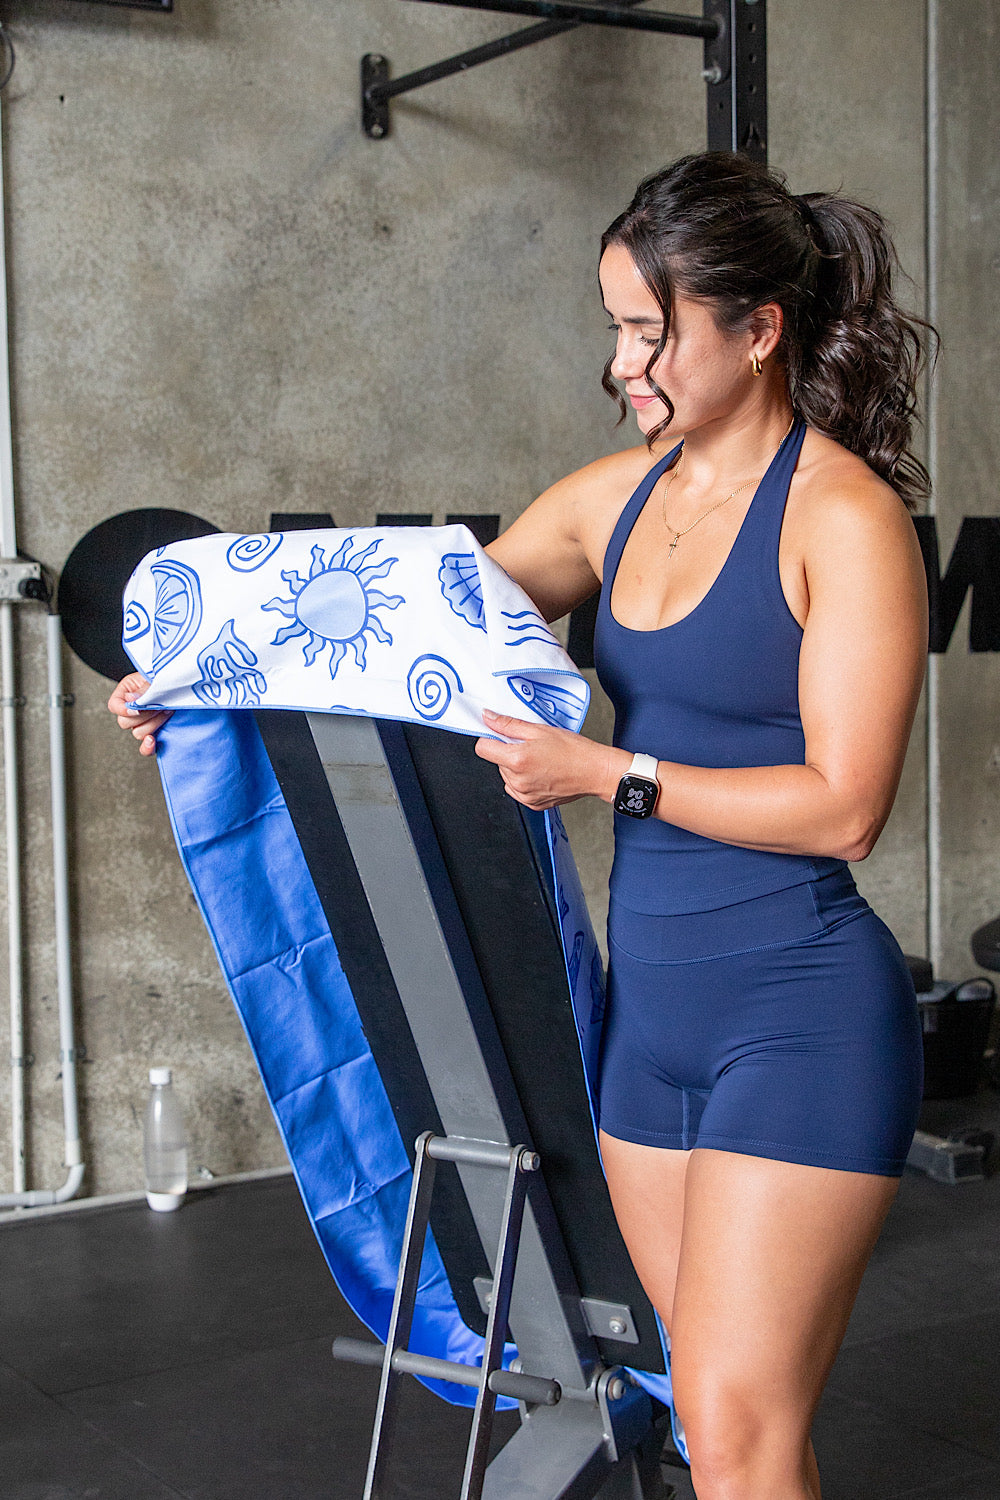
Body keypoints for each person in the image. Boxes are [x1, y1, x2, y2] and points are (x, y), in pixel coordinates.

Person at [111, 153, 930, 1500]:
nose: (624, 365)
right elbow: (392, 637)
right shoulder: (614, 502)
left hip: (800, 1017)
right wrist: (195, 690)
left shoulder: (843, 521)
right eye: (616, 328)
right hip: (650, 1037)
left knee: (740, 1433)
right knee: (713, 1419)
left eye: (650, 332)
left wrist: (610, 774)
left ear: (758, 328)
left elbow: (847, 806)